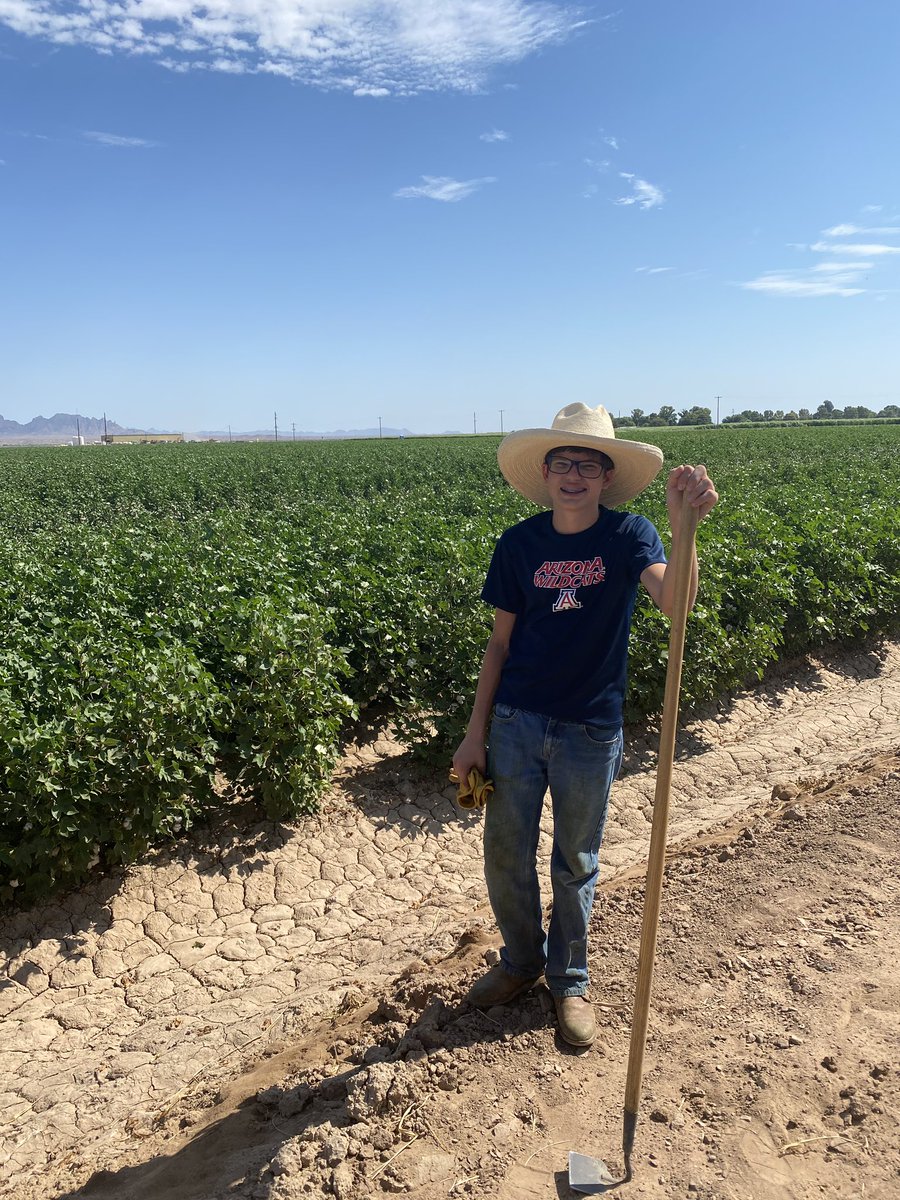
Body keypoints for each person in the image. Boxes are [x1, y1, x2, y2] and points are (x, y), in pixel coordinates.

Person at [452, 402, 718, 1048]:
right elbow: (499, 645)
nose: (575, 475)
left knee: (577, 863)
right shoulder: (519, 545)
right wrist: (474, 731)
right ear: (545, 473)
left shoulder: (631, 537)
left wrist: (686, 527)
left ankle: (568, 980)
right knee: (505, 854)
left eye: (589, 465)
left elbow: (676, 604)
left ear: (606, 477)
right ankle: (520, 962)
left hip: (591, 730)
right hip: (516, 722)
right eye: (563, 463)